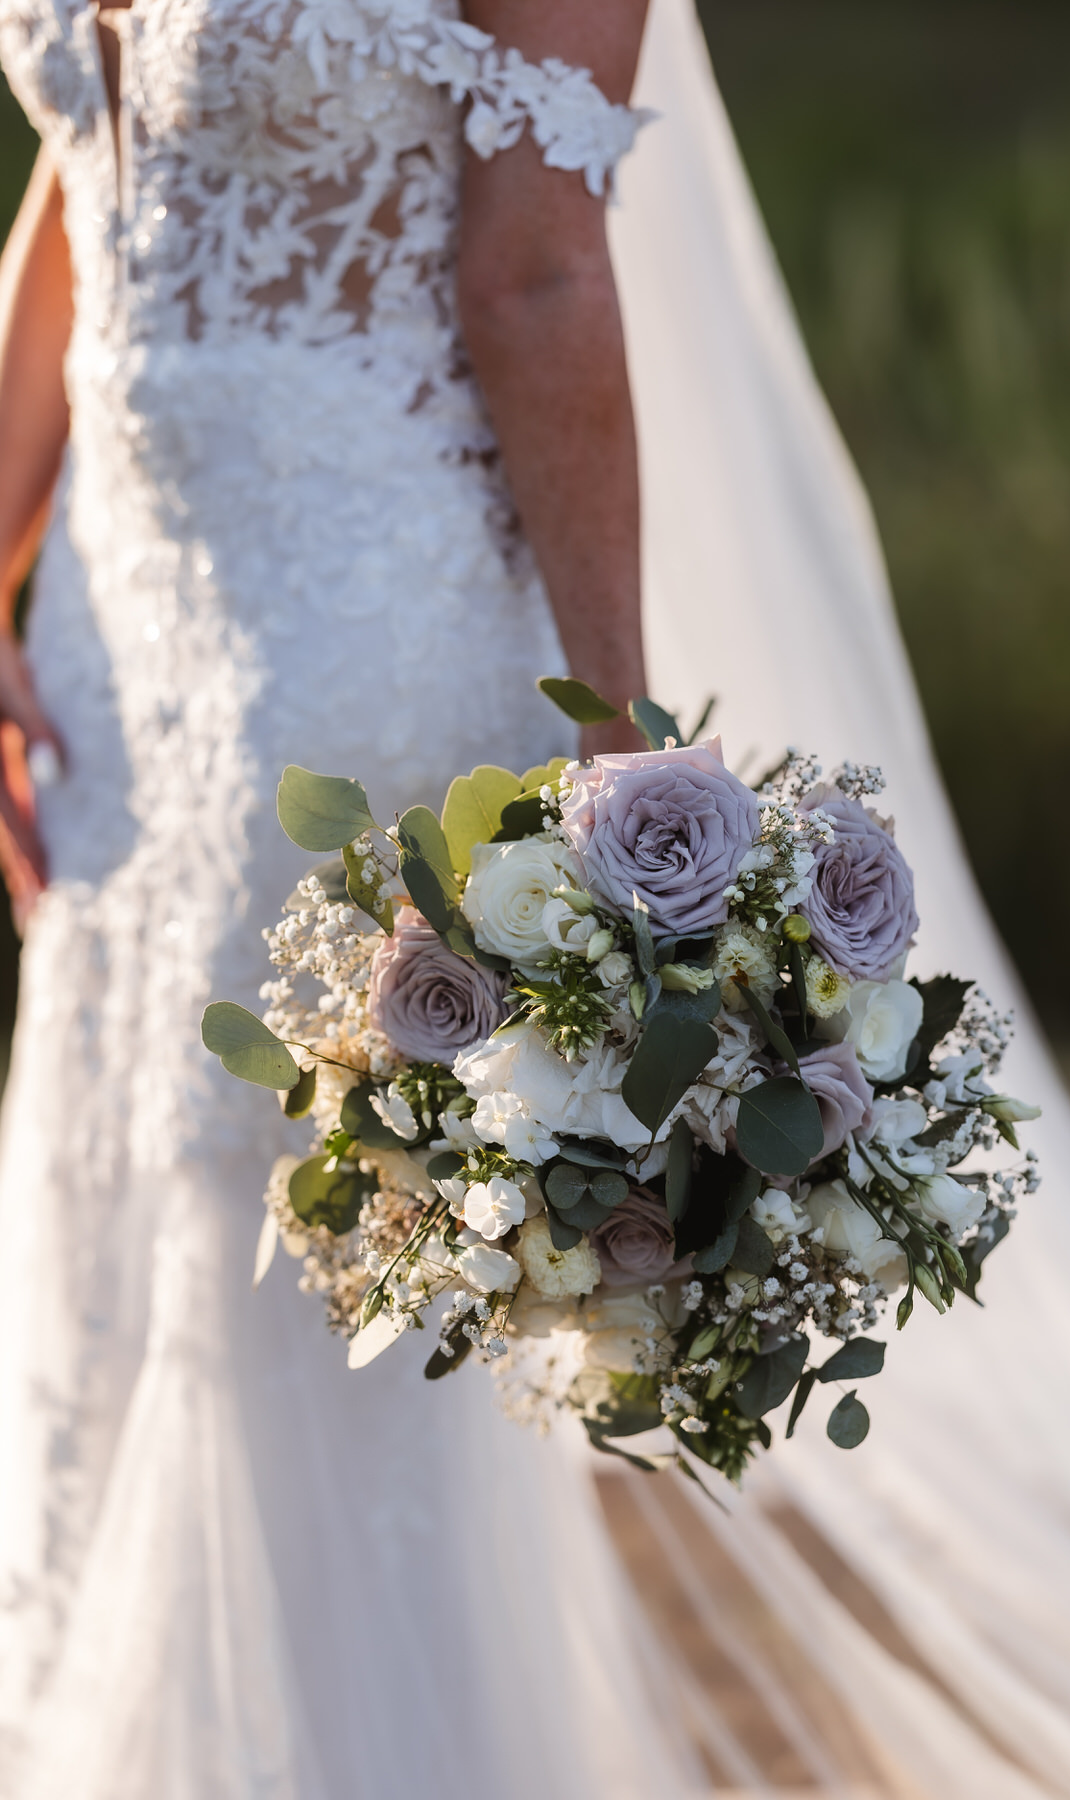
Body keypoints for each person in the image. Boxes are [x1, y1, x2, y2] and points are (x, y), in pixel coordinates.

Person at [0, 2, 685, 1796]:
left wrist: (619, 744)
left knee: (301, 1256)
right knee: (123, 1217)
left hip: (357, 618)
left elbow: (535, 270)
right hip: (113, 623)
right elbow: (88, 179)